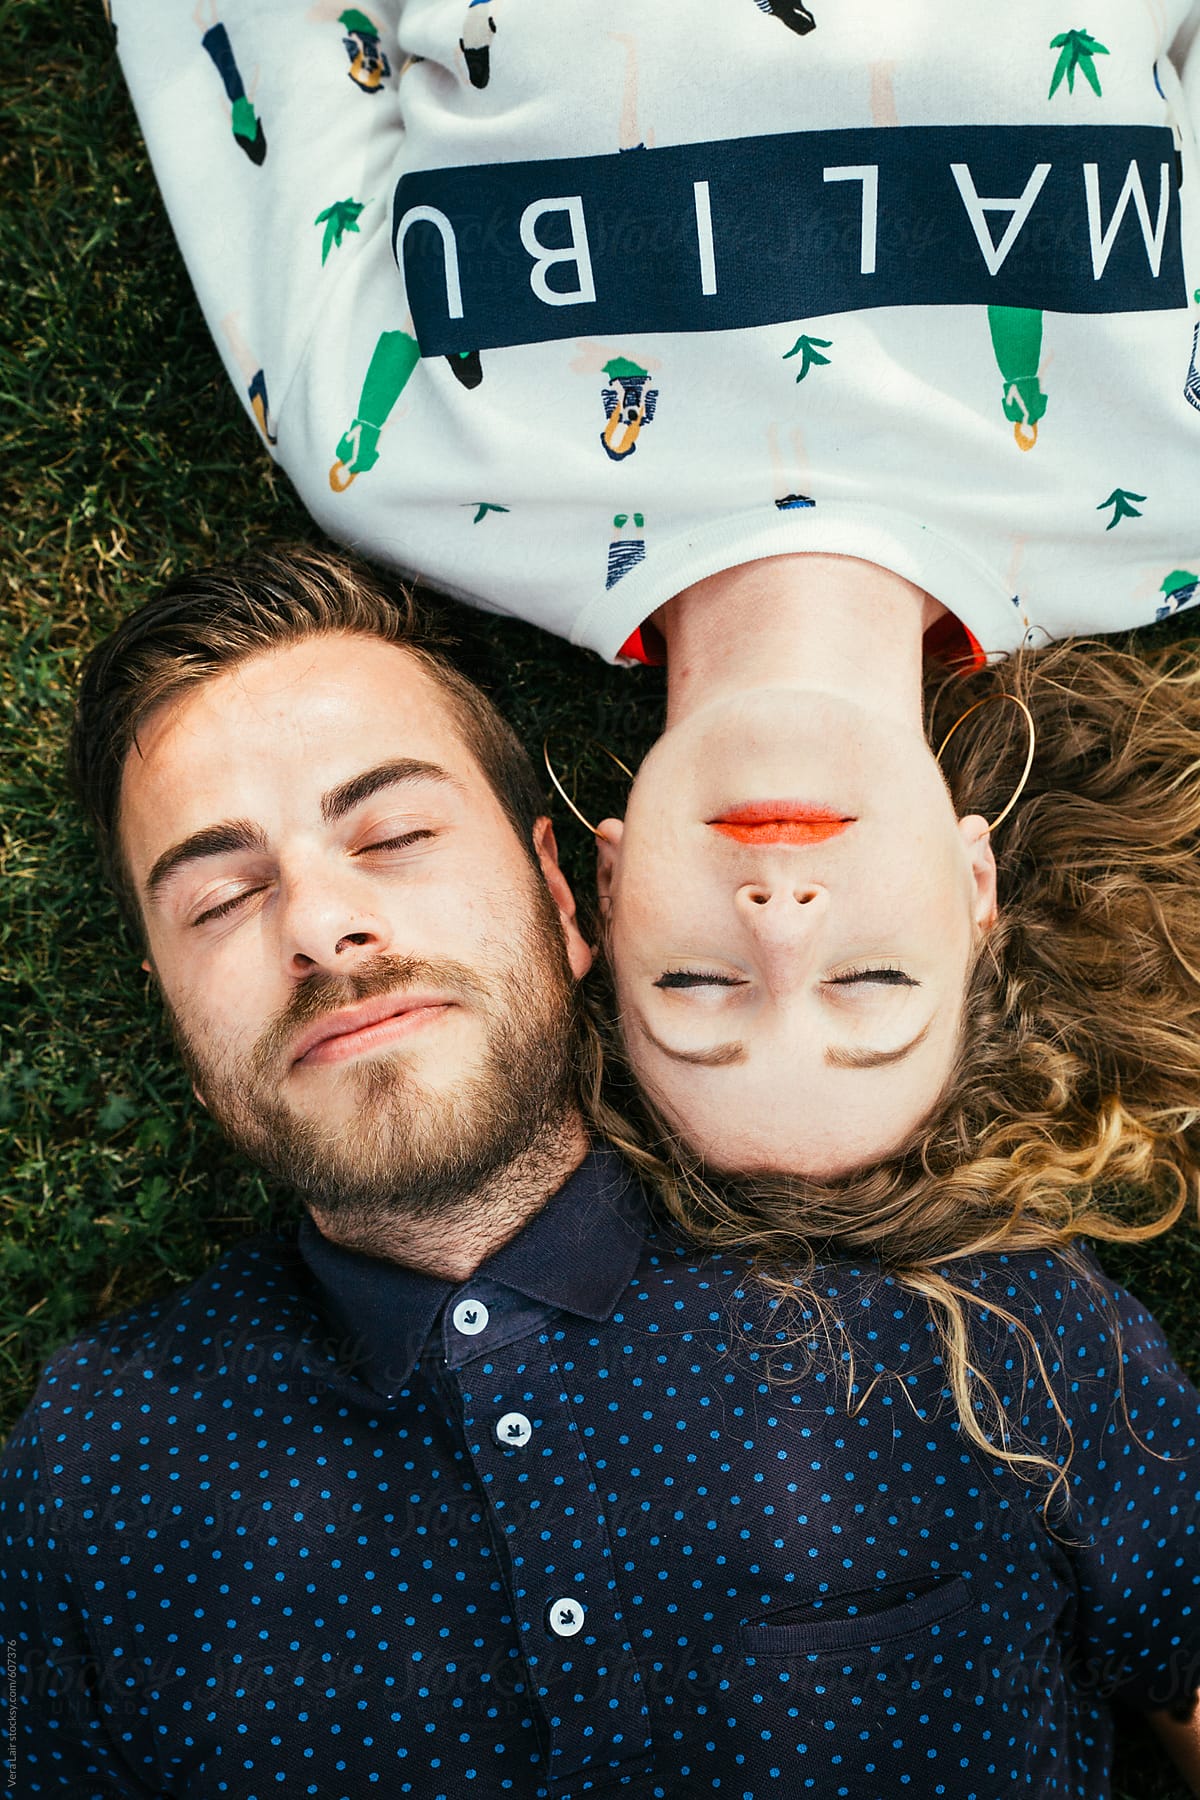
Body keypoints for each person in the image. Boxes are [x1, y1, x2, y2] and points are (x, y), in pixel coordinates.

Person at [3, 544, 1200, 1798]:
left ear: (569, 899)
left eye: (396, 832)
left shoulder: (970, 1310)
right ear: (180, 1031)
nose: (317, 926)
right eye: (220, 899)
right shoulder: (98, 1469)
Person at [107, 1, 1200, 1181]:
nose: (780, 926)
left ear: (608, 889)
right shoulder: (1167, 482)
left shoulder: (402, 472)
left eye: (698, 986)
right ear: (974, 883)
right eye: (872, 980)